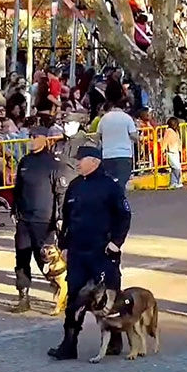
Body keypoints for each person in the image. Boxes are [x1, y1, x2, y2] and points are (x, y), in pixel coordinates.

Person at [48, 145, 131, 360]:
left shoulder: (110, 186)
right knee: (75, 298)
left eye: (81, 159)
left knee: (109, 297)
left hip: (102, 252)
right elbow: (66, 218)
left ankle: (114, 340)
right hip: (77, 251)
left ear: (94, 161)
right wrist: (64, 245)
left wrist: (116, 243)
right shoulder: (75, 186)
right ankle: (69, 344)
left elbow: (124, 216)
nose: (77, 162)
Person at [9, 125, 67, 314]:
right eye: (30, 136)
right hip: (24, 220)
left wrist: (59, 217)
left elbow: (60, 192)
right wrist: (13, 210)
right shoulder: (25, 161)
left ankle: (63, 295)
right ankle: (23, 298)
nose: (32, 140)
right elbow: (17, 190)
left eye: (35, 137)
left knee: (47, 262)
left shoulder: (52, 163)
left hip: (45, 221)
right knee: (22, 258)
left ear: (44, 139)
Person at [95, 96, 137, 191]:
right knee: (121, 184)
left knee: (109, 183)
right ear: (123, 108)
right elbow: (134, 136)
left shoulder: (104, 119)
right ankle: (119, 203)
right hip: (124, 155)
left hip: (107, 155)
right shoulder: (127, 118)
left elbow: (97, 136)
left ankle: (110, 203)